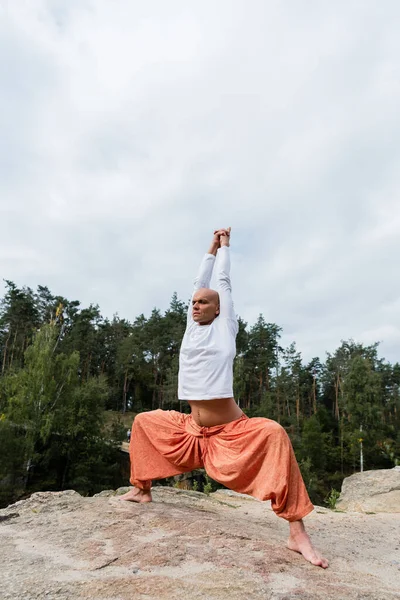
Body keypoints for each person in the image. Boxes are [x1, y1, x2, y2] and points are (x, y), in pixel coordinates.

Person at [120, 228, 328, 568]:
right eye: (194, 302)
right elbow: (197, 282)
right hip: (190, 430)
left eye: (204, 302)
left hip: (230, 433)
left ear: (219, 309)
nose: (196, 306)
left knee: (274, 434)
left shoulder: (225, 327)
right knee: (144, 422)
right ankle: (142, 489)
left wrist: (224, 248)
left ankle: (297, 533)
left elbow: (223, 282)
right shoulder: (191, 328)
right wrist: (208, 249)